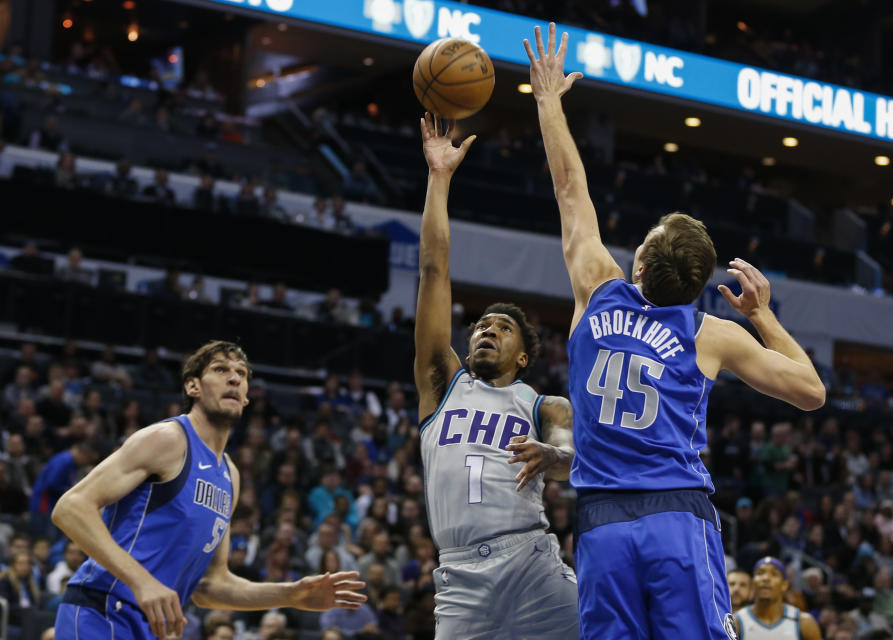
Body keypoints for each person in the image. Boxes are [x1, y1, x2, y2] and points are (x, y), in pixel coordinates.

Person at [525, 23, 825, 639]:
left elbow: (569, 189)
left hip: (602, 523)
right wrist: (762, 314)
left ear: (638, 265)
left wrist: (549, 102)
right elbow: (811, 391)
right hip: (677, 519)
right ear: (696, 288)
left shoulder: (596, 290)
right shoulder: (711, 334)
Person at [52, 340, 366, 639]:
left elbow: (210, 586)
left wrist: (291, 594)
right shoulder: (168, 439)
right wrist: (141, 581)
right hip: (103, 609)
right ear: (193, 387)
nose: (233, 378)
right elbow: (71, 507)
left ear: (246, 398)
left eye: (241, 374)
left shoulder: (230, 474)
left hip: (154, 625)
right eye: (220, 369)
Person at [414, 112, 579, 638]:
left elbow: (572, 461)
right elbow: (434, 268)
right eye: (481, 325)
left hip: (530, 560)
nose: (486, 330)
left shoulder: (545, 406)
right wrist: (439, 179)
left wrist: (552, 456)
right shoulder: (443, 383)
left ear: (524, 356)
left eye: (502, 327)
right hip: (460, 577)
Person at [733, 557, 821, 639]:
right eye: (760, 573)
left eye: (774, 574)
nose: (766, 578)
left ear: (784, 585)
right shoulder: (736, 622)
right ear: (752, 583)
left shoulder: (804, 622)